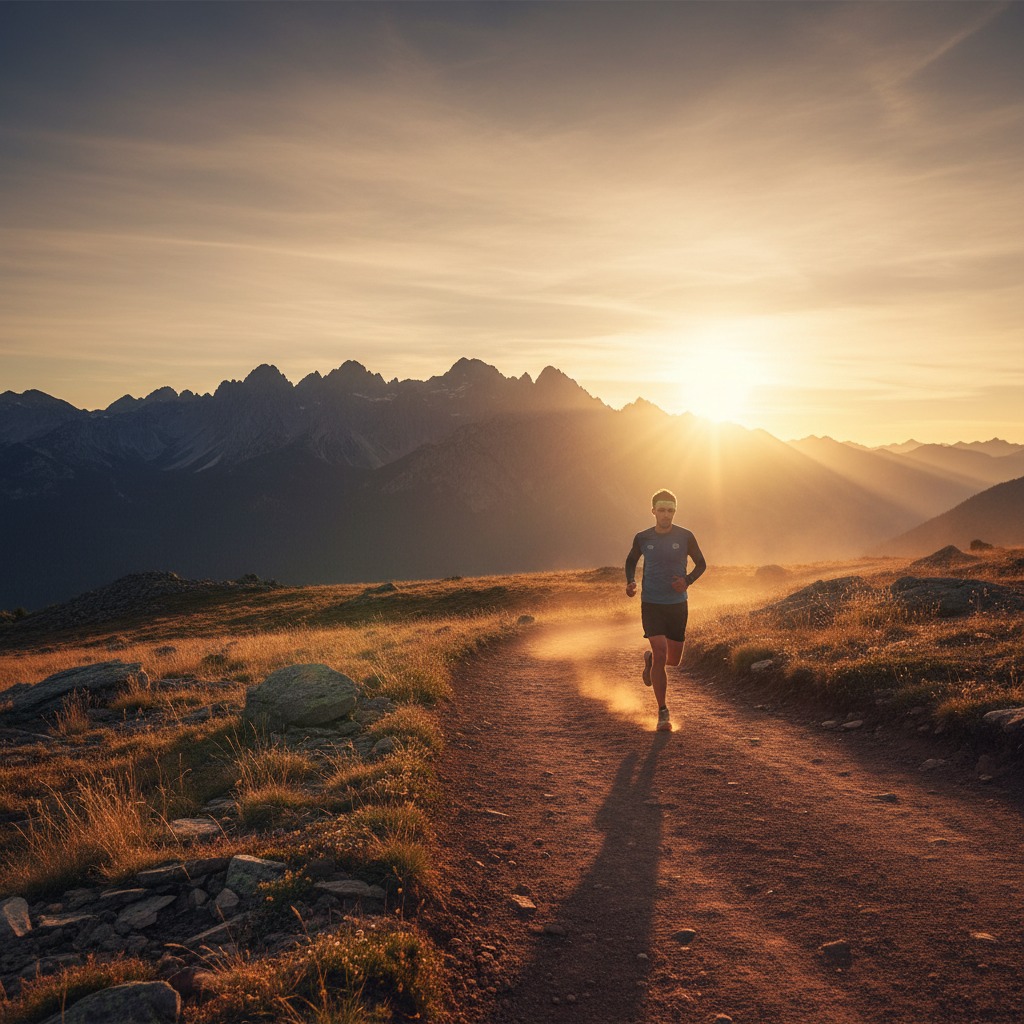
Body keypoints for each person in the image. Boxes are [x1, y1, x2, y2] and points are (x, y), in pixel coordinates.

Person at [625, 489, 706, 732]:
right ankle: (662, 712)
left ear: (674, 512)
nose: (666, 515)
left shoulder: (686, 536)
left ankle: (649, 660)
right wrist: (631, 582)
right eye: (662, 510)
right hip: (651, 604)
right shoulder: (643, 537)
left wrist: (688, 580)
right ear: (653, 511)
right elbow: (631, 560)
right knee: (661, 653)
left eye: (670, 510)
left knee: (673, 660)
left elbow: (701, 563)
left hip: (677, 604)